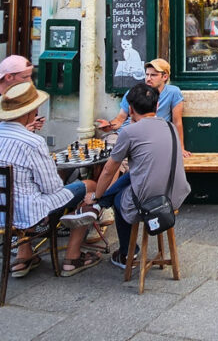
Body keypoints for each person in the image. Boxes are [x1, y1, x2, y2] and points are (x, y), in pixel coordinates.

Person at [78, 82, 190, 269]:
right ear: (156, 106)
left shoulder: (130, 132)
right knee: (131, 176)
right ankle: (101, 202)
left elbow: (108, 170)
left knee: (119, 200)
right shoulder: (170, 126)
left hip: (151, 202)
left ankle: (125, 253)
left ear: (130, 109)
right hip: (176, 194)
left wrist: (97, 193)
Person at [0, 82, 100, 276]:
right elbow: (52, 187)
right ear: (31, 111)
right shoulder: (32, 142)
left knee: (22, 191)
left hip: (3, 212)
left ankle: (24, 254)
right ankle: (73, 256)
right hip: (27, 212)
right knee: (90, 186)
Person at [96, 57, 190, 155]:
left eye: (153, 75)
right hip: (125, 133)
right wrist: (109, 125)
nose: (148, 79)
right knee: (101, 154)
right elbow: (120, 119)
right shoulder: (134, 92)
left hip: (149, 136)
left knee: (120, 158)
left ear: (165, 77)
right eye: (147, 74)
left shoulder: (173, 92)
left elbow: (177, 121)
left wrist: (180, 148)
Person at [0, 55, 44, 132]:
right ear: (9, 77)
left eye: (30, 76)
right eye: (24, 77)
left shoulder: (23, 94)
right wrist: (21, 132)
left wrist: (32, 120)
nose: (29, 81)